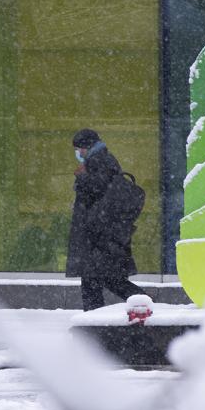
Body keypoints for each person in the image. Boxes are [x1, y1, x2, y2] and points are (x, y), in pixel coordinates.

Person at [66, 129, 146, 311]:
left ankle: (142, 302)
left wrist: (81, 178)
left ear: (88, 146)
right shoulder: (101, 160)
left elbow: (97, 190)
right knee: (100, 279)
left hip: (98, 236)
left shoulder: (99, 161)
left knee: (99, 279)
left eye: (79, 149)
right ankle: (95, 320)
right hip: (99, 235)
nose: (78, 153)